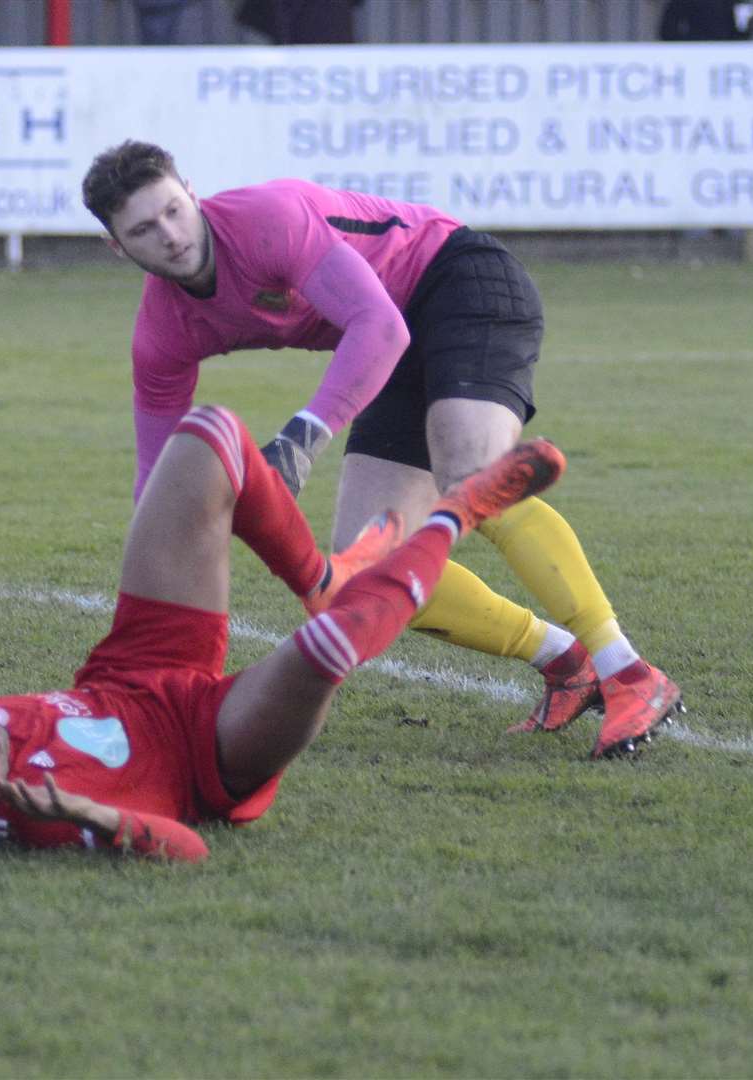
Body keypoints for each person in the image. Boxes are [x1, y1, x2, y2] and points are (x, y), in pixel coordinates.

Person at [79, 141, 683, 759]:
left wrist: (301, 438)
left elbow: (381, 326)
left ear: (192, 191)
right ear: (118, 248)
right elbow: (155, 485)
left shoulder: (267, 221)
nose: (172, 236)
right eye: (145, 230)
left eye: (175, 211)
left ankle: (629, 672)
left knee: (473, 477)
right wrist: (159, 585)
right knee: (365, 573)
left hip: (455, 279)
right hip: (387, 342)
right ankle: (566, 662)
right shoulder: (161, 333)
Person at [0, 404, 565, 858]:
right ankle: (460, 511)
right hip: (209, 748)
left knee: (208, 436)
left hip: (137, 665)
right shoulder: (46, 819)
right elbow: (188, 847)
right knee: (327, 650)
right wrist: (92, 813)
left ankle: (321, 578)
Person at [659, 0, 753, 42]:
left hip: (726, 54)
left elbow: (746, 32)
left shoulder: (737, 1)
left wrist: (742, 25)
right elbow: (667, 29)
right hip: (693, 55)